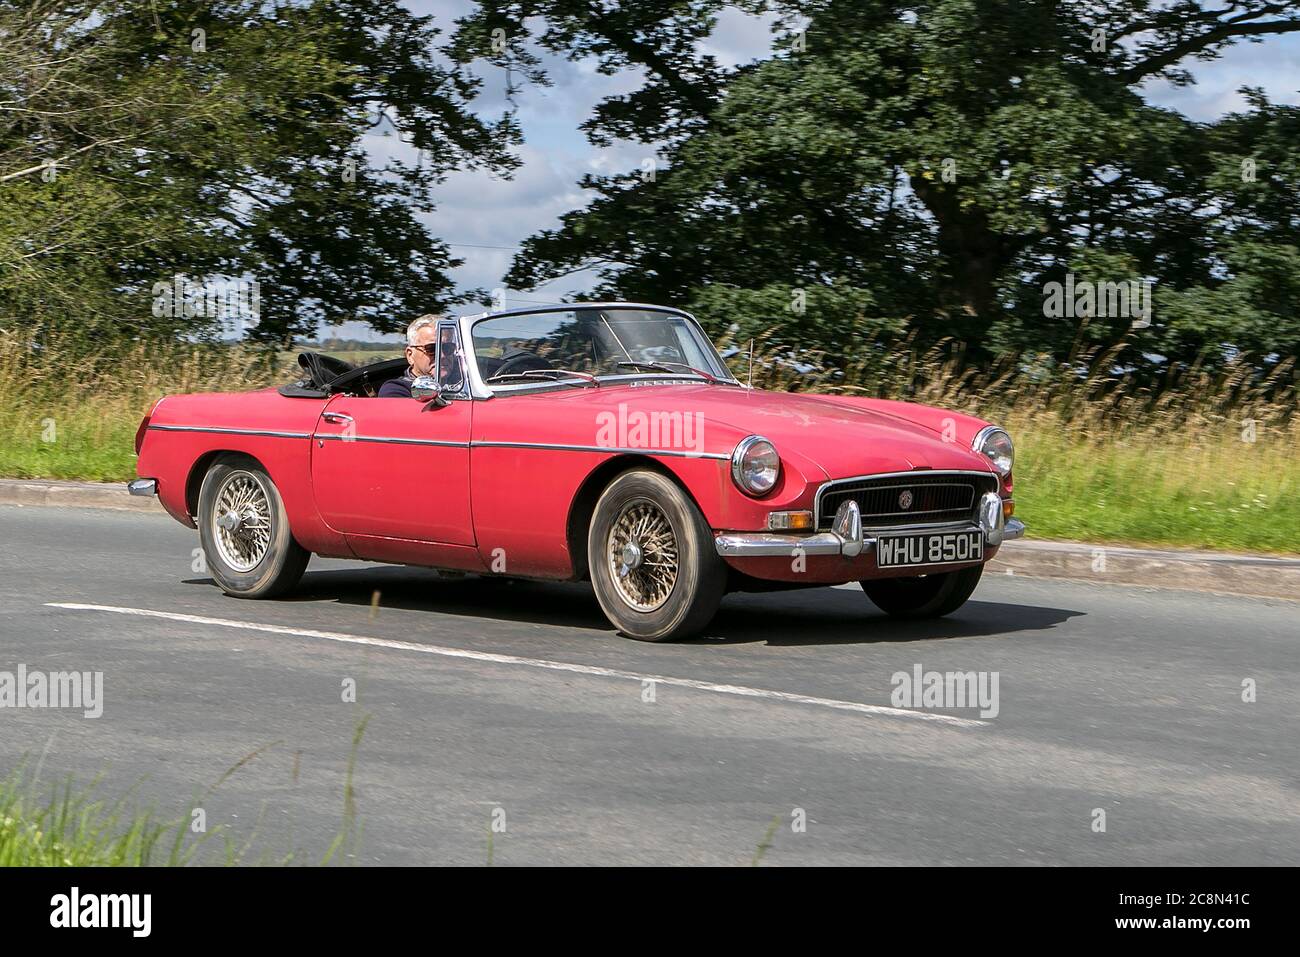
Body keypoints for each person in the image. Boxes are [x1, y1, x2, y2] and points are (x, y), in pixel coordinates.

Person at [378, 314, 440, 398]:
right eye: (432, 349)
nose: (442, 355)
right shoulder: (396, 390)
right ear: (410, 356)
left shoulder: (461, 384)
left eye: (449, 348)